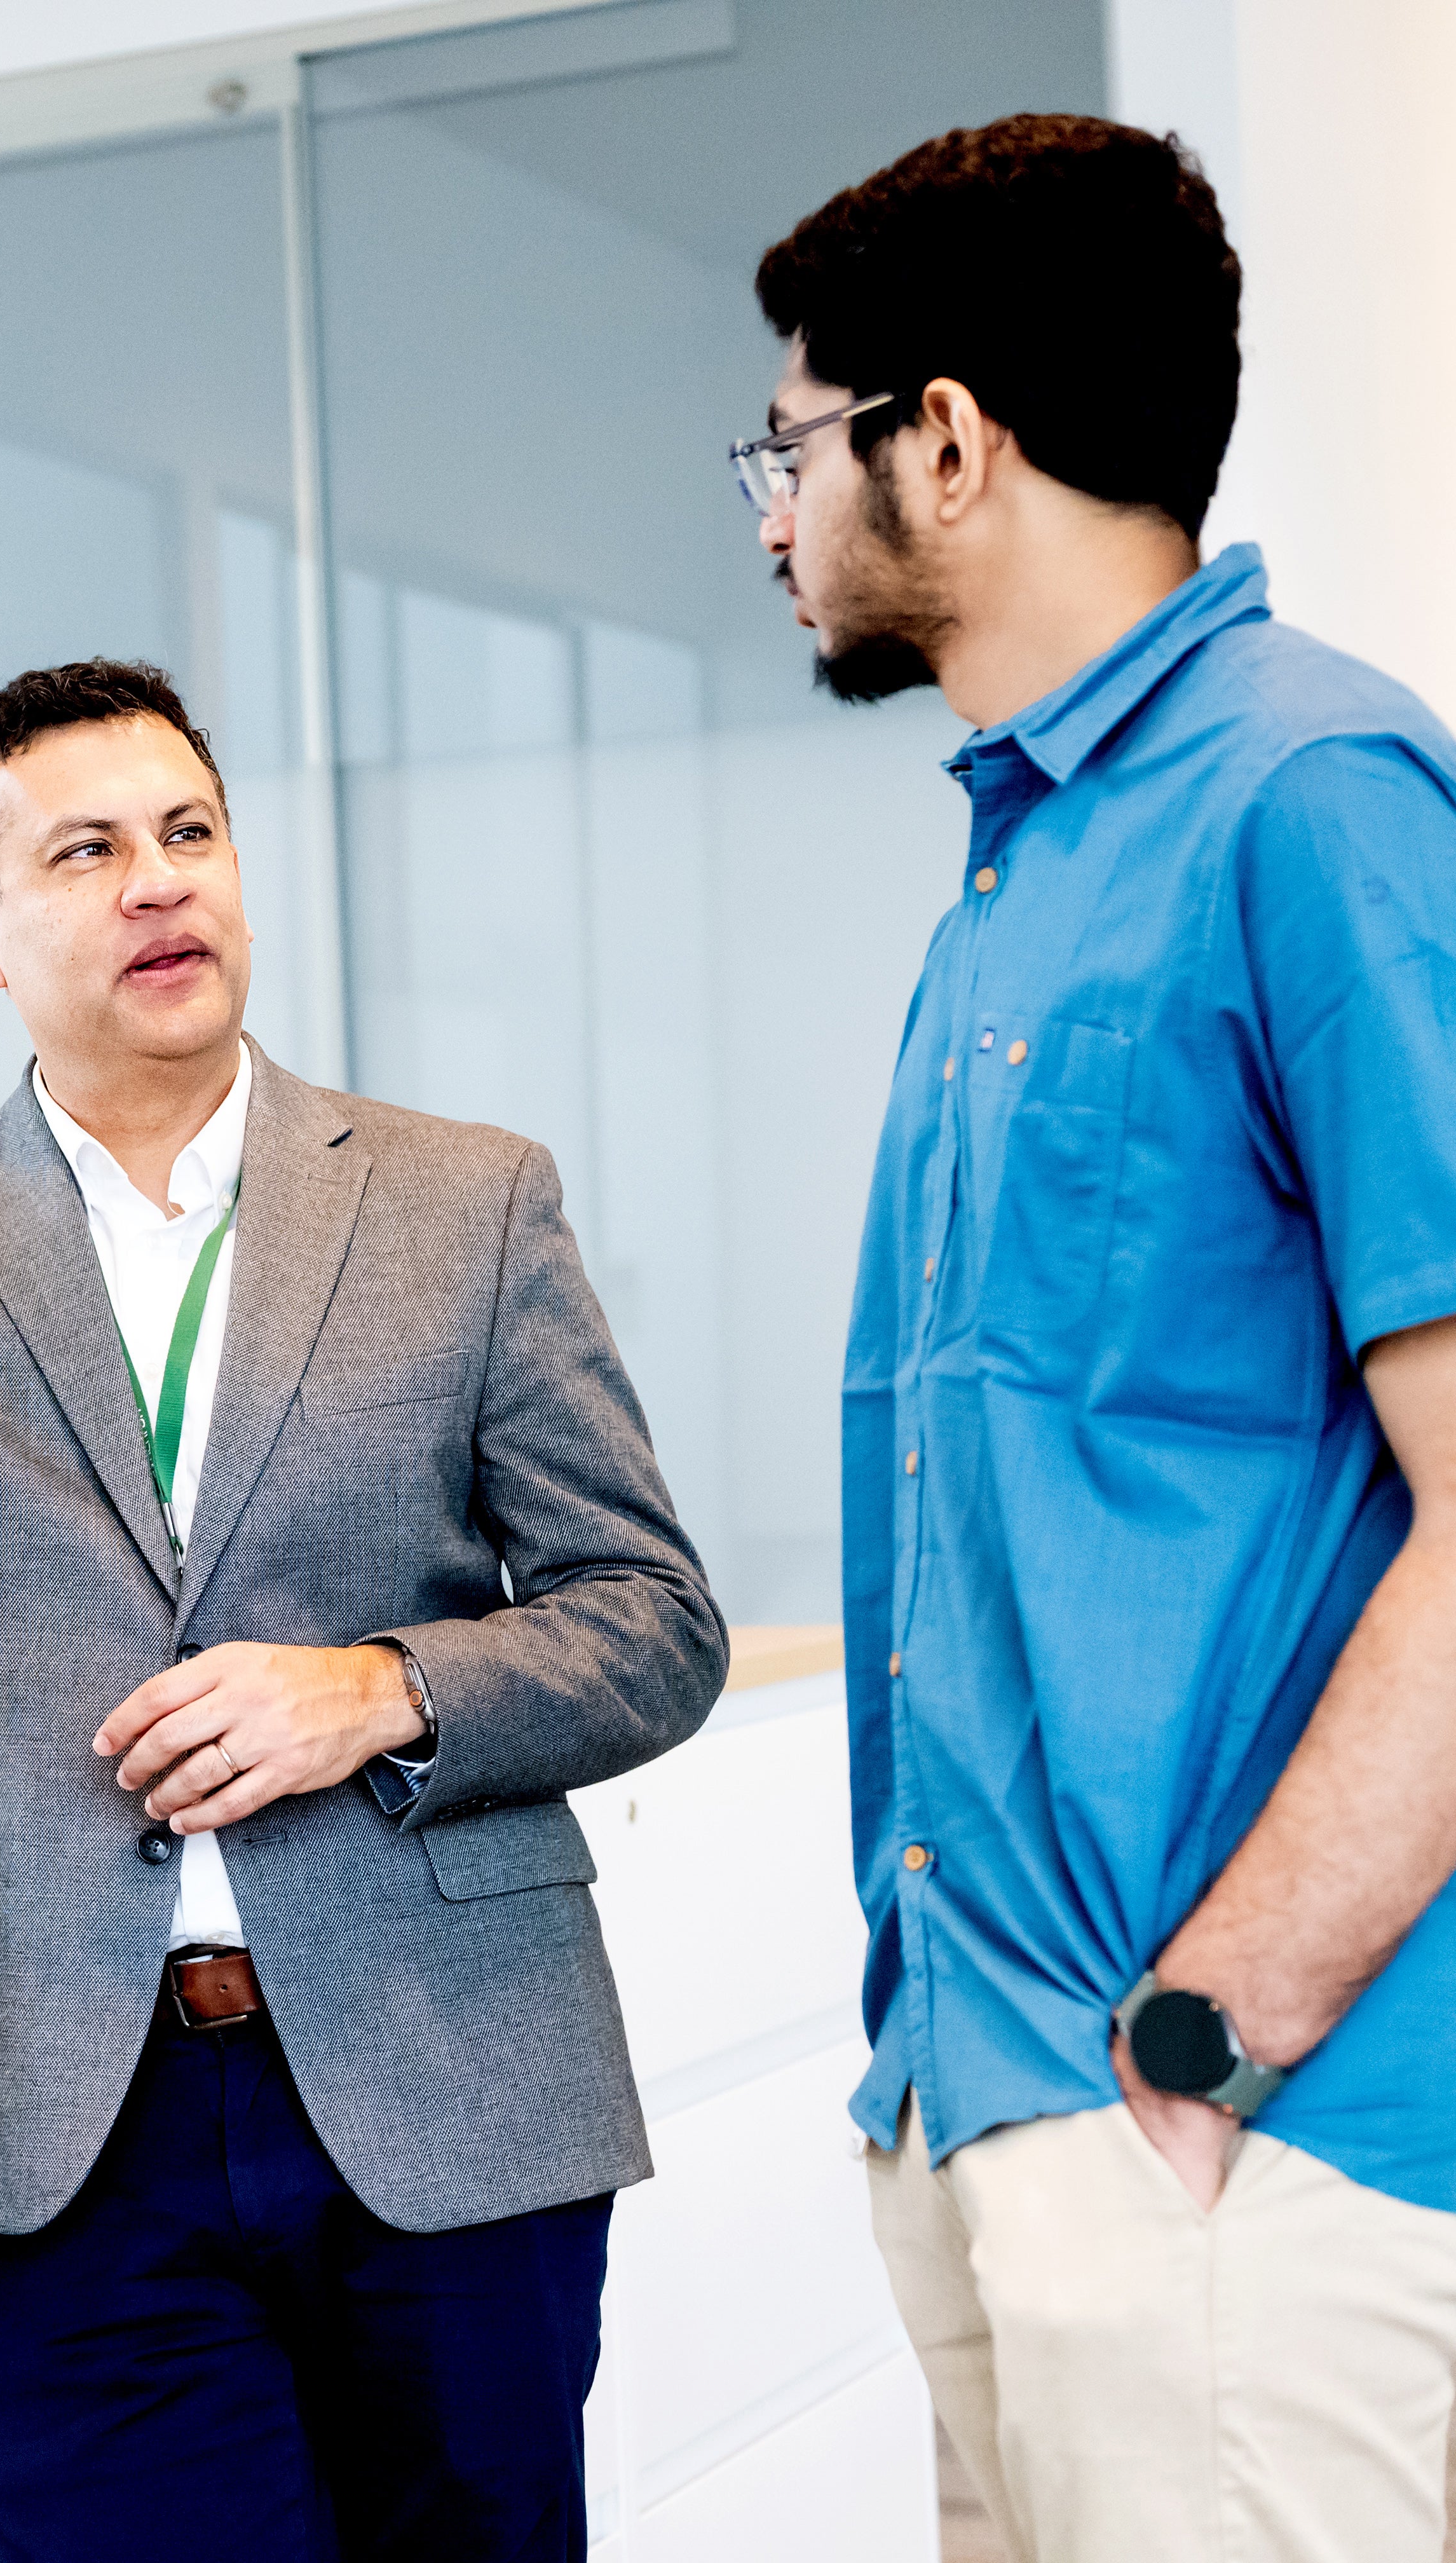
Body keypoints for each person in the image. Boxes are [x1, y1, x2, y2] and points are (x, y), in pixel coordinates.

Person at [0, 660, 726, 2559]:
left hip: (451, 2088)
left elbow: (652, 1620)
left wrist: (380, 1691)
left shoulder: (463, 1203)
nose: (160, 882)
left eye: (188, 833)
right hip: (85, 2115)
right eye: (87, 850)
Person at [751, 114, 1456, 2562]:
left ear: (946, 439)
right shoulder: (1017, 869)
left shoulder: (1314, 796)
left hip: (1241, 2148)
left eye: (794, 441)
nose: (772, 511)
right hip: (989, 2106)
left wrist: (1209, 2034)